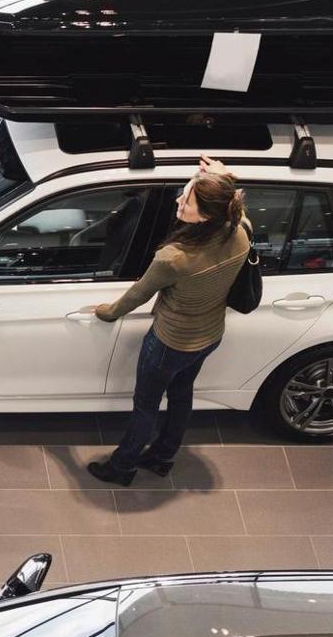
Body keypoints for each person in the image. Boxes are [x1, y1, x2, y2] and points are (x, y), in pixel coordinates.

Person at [84, 157, 251, 486]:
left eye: (187, 198)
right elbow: (233, 203)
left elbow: (137, 295)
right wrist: (219, 176)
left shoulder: (174, 258)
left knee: (146, 405)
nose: (179, 199)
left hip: (170, 341)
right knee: (181, 393)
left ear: (204, 215)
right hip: (210, 335)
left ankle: (122, 467)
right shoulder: (240, 230)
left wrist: (106, 312)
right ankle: (162, 457)